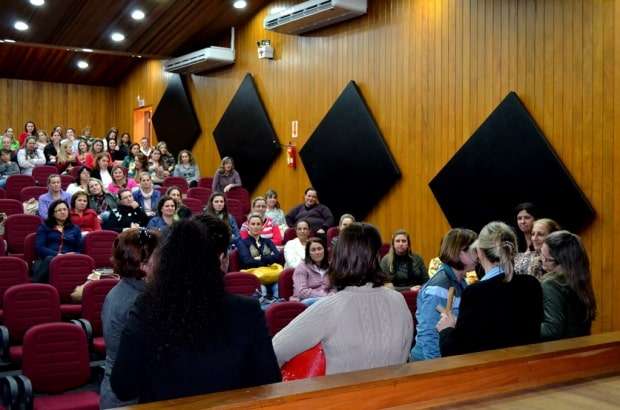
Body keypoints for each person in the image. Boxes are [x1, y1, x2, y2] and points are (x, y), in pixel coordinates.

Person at [110, 219, 281, 404]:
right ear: (216, 261)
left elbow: (123, 386)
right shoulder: (247, 311)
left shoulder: (146, 308)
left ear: (162, 264)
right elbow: (269, 379)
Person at [273, 222, 412, 374]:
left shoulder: (329, 308)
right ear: (377, 257)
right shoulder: (399, 300)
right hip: (397, 388)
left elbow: (275, 350)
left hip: (346, 390)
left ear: (339, 258)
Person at [437, 221, 543, 357]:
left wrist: (446, 329)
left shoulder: (475, 293)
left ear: (479, 252)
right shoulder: (532, 284)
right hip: (529, 364)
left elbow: (456, 352)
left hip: (492, 368)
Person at [100, 228, 160, 409]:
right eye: (159, 256)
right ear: (143, 265)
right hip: (131, 397)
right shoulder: (140, 302)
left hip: (119, 390)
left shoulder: (123, 289)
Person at [411, 228, 477, 361]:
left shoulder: (461, 281)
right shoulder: (438, 288)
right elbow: (429, 336)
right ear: (459, 252)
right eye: (474, 250)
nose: (479, 255)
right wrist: (438, 368)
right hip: (428, 362)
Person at [540, 231, 596, 341]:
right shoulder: (579, 280)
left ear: (560, 260)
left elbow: (552, 330)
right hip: (581, 346)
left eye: (546, 258)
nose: (541, 260)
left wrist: (525, 326)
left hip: (559, 349)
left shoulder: (551, 284)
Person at [34, 199, 82, 282]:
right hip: (49, 258)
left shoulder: (75, 228)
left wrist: (73, 254)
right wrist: (57, 255)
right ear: (53, 214)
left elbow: (79, 249)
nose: (63, 212)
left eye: (65, 209)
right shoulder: (44, 227)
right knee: (50, 259)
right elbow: (40, 247)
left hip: (69, 259)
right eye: (59, 210)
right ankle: (36, 284)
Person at [292, 237, 334, 305]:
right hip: (306, 301)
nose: (317, 252)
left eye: (319, 249)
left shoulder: (330, 266)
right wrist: (325, 295)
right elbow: (301, 292)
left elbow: (334, 286)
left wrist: (332, 293)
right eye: (313, 250)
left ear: (324, 250)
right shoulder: (302, 267)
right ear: (308, 253)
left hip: (327, 300)